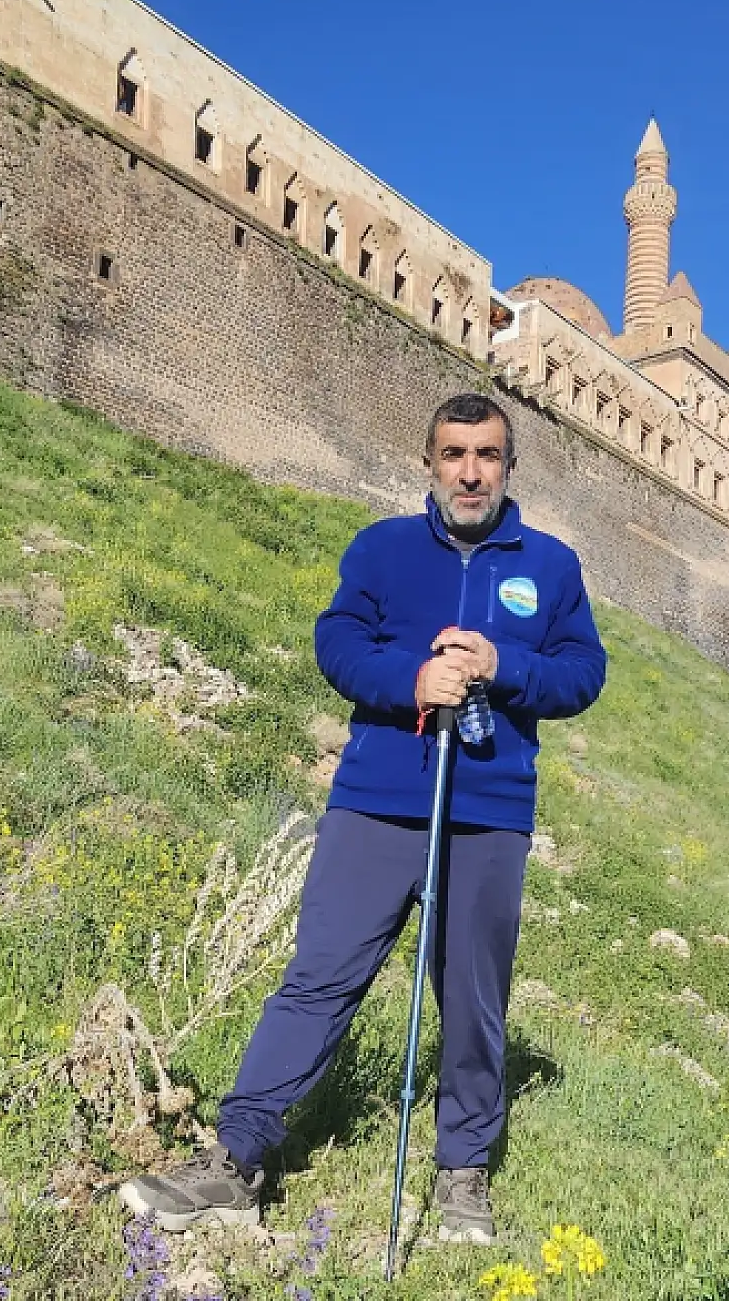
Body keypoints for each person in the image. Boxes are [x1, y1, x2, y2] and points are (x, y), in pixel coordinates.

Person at [121, 392, 607, 1242]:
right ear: (428, 460)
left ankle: (462, 1174)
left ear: (509, 467)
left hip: (488, 813)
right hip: (378, 802)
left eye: (487, 455)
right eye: (453, 453)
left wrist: (506, 664)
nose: (469, 471)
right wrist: (410, 683)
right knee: (319, 979)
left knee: (473, 999)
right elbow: (337, 644)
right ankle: (237, 1155)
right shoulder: (382, 549)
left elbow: (582, 674)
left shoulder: (552, 566)